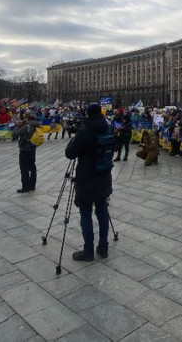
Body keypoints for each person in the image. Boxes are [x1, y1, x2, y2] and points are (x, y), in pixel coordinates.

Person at [65, 103, 113, 262]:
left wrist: (74, 139)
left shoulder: (85, 131)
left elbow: (70, 154)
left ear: (88, 114)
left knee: (85, 212)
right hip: (104, 175)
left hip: (87, 177)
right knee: (102, 211)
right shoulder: (108, 127)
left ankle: (88, 251)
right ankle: (103, 247)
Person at [12, 111, 40, 193]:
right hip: (32, 148)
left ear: (28, 118)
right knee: (32, 167)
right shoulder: (37, 126)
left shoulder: (26, 127)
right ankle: (32, 185)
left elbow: (15, 134)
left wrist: (17, 126)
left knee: (24, 168)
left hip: (24, 149)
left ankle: (25, 187)